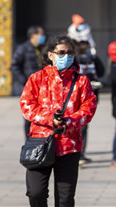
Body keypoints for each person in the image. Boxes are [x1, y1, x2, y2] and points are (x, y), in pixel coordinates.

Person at [20, 35, 97, 207]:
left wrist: (68, 122)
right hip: (40, 143)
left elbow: (88, 108)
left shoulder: (82, 81)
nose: (66, 56)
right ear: (50, 55)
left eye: (70, 53)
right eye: (61, 52)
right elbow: (26, 105)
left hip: (69, 145)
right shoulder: (37, 78)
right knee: (36, 193)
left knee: (65, 199)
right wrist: (49, 120)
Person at [11, 25, 46, 135]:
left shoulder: (42, 48)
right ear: (32, 35)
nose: (43, 37)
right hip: (29, 88)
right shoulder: (23, 48)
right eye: (40, 34)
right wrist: (24, 81)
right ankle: (29, 140)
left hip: (43, 88)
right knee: (29, 116)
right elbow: (14, 66)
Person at [75, 40, 105, 164]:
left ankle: (81, 153)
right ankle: (78, 153)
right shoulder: (74, 60)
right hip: (77, 98)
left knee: (84, 126)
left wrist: (95, 59)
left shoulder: (93, 59)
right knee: (79, 127)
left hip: (91, 96)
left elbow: (101, 71)